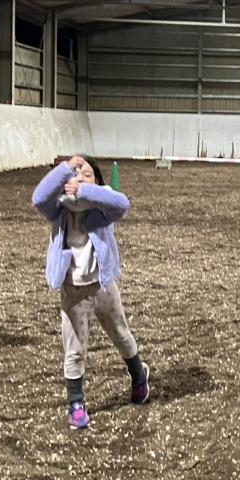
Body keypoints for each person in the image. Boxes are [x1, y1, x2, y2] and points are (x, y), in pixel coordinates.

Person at [32, 155, 150, 430]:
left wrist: (84, 191)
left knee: (121, 335)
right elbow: (38, 198)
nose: (80, 179)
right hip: (73, 290)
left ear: (96, 183)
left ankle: (139, 378)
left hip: (103, 286)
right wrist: (65, 168)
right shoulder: (58, 209)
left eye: (87, 175)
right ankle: (76, 404)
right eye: (75, 175)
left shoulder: (103, 208)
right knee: (75, 349)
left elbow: (122, 203)